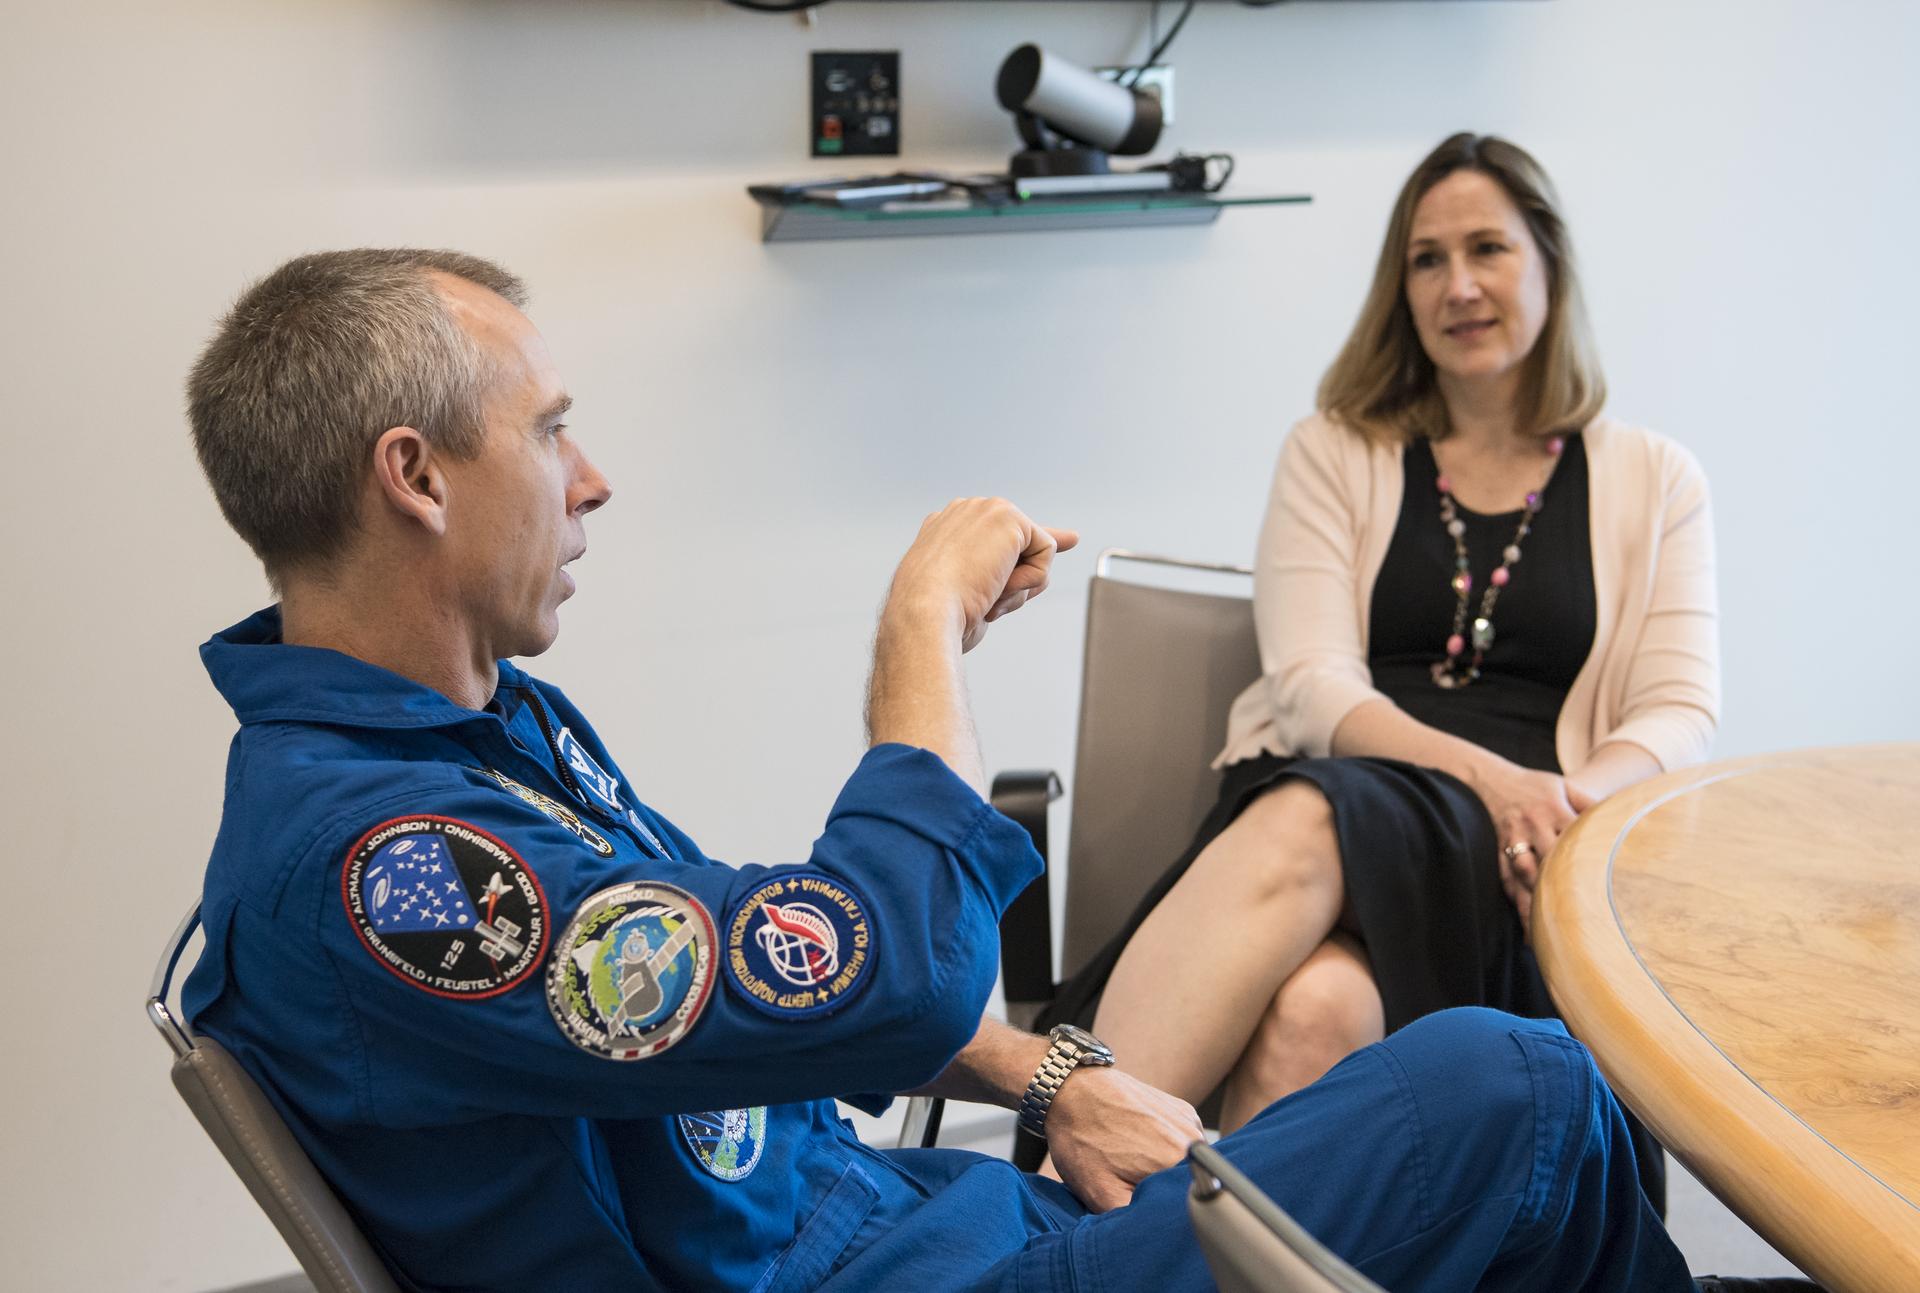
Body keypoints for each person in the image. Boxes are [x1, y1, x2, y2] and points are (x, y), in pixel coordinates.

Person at [180, 247, 1697, 1292]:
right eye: (552, 429)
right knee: (1521, 1084)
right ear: (416, 476)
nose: (593, 480)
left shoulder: (475, 740)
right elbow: (881, 972)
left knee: (1472, 1137)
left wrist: (1044, 1068)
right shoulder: (394, 872)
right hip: (888, 1268)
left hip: (915, 1219)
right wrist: (923, 633)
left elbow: (736, 953)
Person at [1042, 132, 1720, 1201]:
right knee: (1318, 1002)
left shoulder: (1654, 476)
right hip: (1353, 789)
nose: (1459, 285)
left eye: (1488, 249)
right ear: (1399, 288)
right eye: (1426, 259)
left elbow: (1680, 708)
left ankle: (1051, 1193)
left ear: (1548, 261)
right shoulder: (1335, 447)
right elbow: (1313, 686)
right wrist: (1489, 782)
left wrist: (1559, 804)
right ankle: (1126, 1241)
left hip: (1526, 866)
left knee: (1312, 823)